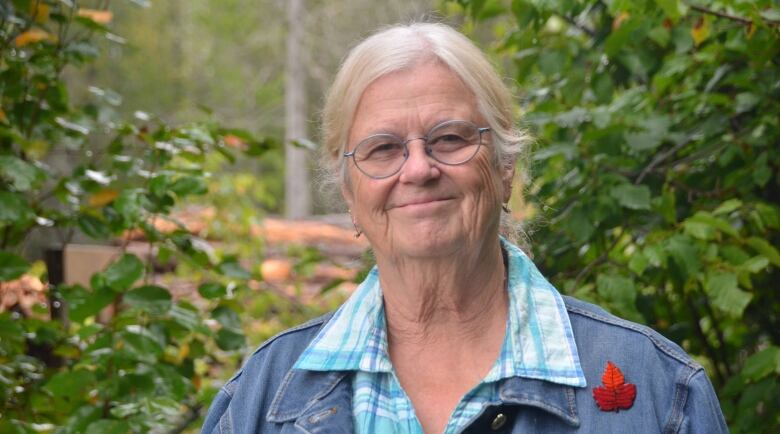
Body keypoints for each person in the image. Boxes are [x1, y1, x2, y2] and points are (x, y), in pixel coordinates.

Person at [201, 23, 728, 434]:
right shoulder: (261, 401)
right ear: (349, 193)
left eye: (449, 138)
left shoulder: (656, 389)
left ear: (504, 169)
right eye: (383, 149)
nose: (418, 169)